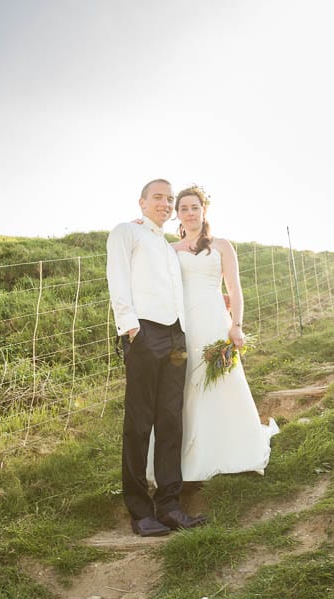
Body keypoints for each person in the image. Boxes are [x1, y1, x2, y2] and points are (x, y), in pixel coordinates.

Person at [146, 184, 277, 483]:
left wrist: (236, 325)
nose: (190, 213)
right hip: (182, 327)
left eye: (194, 207)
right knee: (184, 386)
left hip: (215, 321)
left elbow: (234, 289)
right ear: (176, 215)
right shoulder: (170, 251)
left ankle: (231, 450)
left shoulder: (221, 246)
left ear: (204, 210)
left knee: (222, 381)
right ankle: (186, 458)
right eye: (183, 208)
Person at [106, 178, 207, 537]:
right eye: (159, 198)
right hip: (144, 334)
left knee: (171, 421)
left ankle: (170, 505)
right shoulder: (125, 233)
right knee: (138, 424)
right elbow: (117, 279)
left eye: (169, 199)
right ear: (142, 202)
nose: (165, 204)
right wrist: (130, 328)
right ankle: (139, 510)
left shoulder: (166, 247)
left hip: (176, 335)